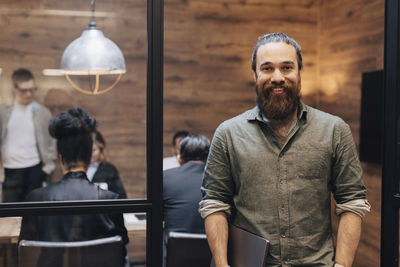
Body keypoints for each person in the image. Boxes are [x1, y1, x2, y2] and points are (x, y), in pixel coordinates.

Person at [199, 33, 370, 267]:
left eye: (287, 67)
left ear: (299, 72)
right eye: (267, 68)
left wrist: (341, 265)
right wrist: (221, 264)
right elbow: (215, 203)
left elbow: (352, 202)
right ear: (255, 75)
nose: (277, 77)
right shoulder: (227, 134)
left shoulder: (334, 130)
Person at [19, 107, 129, 267]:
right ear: (88, 158)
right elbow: (120, 252)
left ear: (61, 159)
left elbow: (27, 251)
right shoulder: (110, 200)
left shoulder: (36, 199)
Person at [0, 68, 57, 202]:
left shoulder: (43, 113)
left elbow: (52, 141)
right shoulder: (3, 110)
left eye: (32, 89)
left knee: (33, 216)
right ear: (14, 88)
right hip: (9, 170)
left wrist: (47, 168)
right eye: (24, 90)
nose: (29, 94)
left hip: (35, 169)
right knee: (10, 215)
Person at [163, 134, 210, 266]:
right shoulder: (221, 180)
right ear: (207, 157)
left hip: (173, 255)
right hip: (213, 254)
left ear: (179, 158)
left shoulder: (165, 178)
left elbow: (157, 217)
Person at [87, 130, 127, 198]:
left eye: (94, 150)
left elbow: (121, 197)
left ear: (100, 149)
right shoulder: (77, 169)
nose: (90, 154)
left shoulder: (109, 170)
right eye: (87, 150)